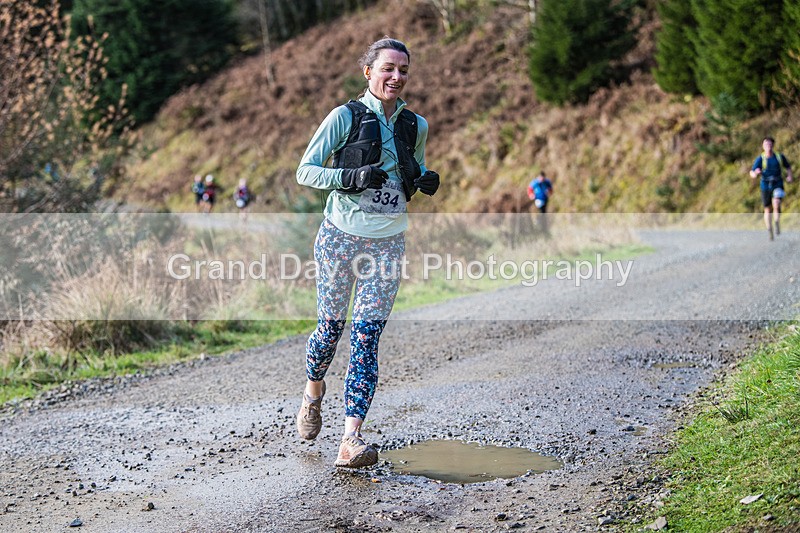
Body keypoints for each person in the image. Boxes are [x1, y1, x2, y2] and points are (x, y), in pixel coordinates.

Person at [295, 37, 439, 468]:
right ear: (368, 72)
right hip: (340, 237)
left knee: (366, 335)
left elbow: (410, 170)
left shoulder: (416, 124)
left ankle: (350, 439)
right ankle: (313, 390)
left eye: (403, 70)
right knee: (329, 330)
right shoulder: (344, 117)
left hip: (388, 241)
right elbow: (306, 171)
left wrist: (424, 179)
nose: (396, 76)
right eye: (388, 68)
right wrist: (349, 176)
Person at [750, 137, 793, 240]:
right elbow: (752, 172)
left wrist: (790, 176)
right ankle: (770, 230)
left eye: (769, 144)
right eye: (766, 144)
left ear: (773, 145)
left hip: (777, 183)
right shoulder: (760, 159)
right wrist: (755, 173)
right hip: (765, 185)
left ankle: (777, 222)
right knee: (767, 209)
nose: (768, 146)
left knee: (776, 203)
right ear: (763, 146)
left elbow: (788, 167)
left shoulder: (779, 157)